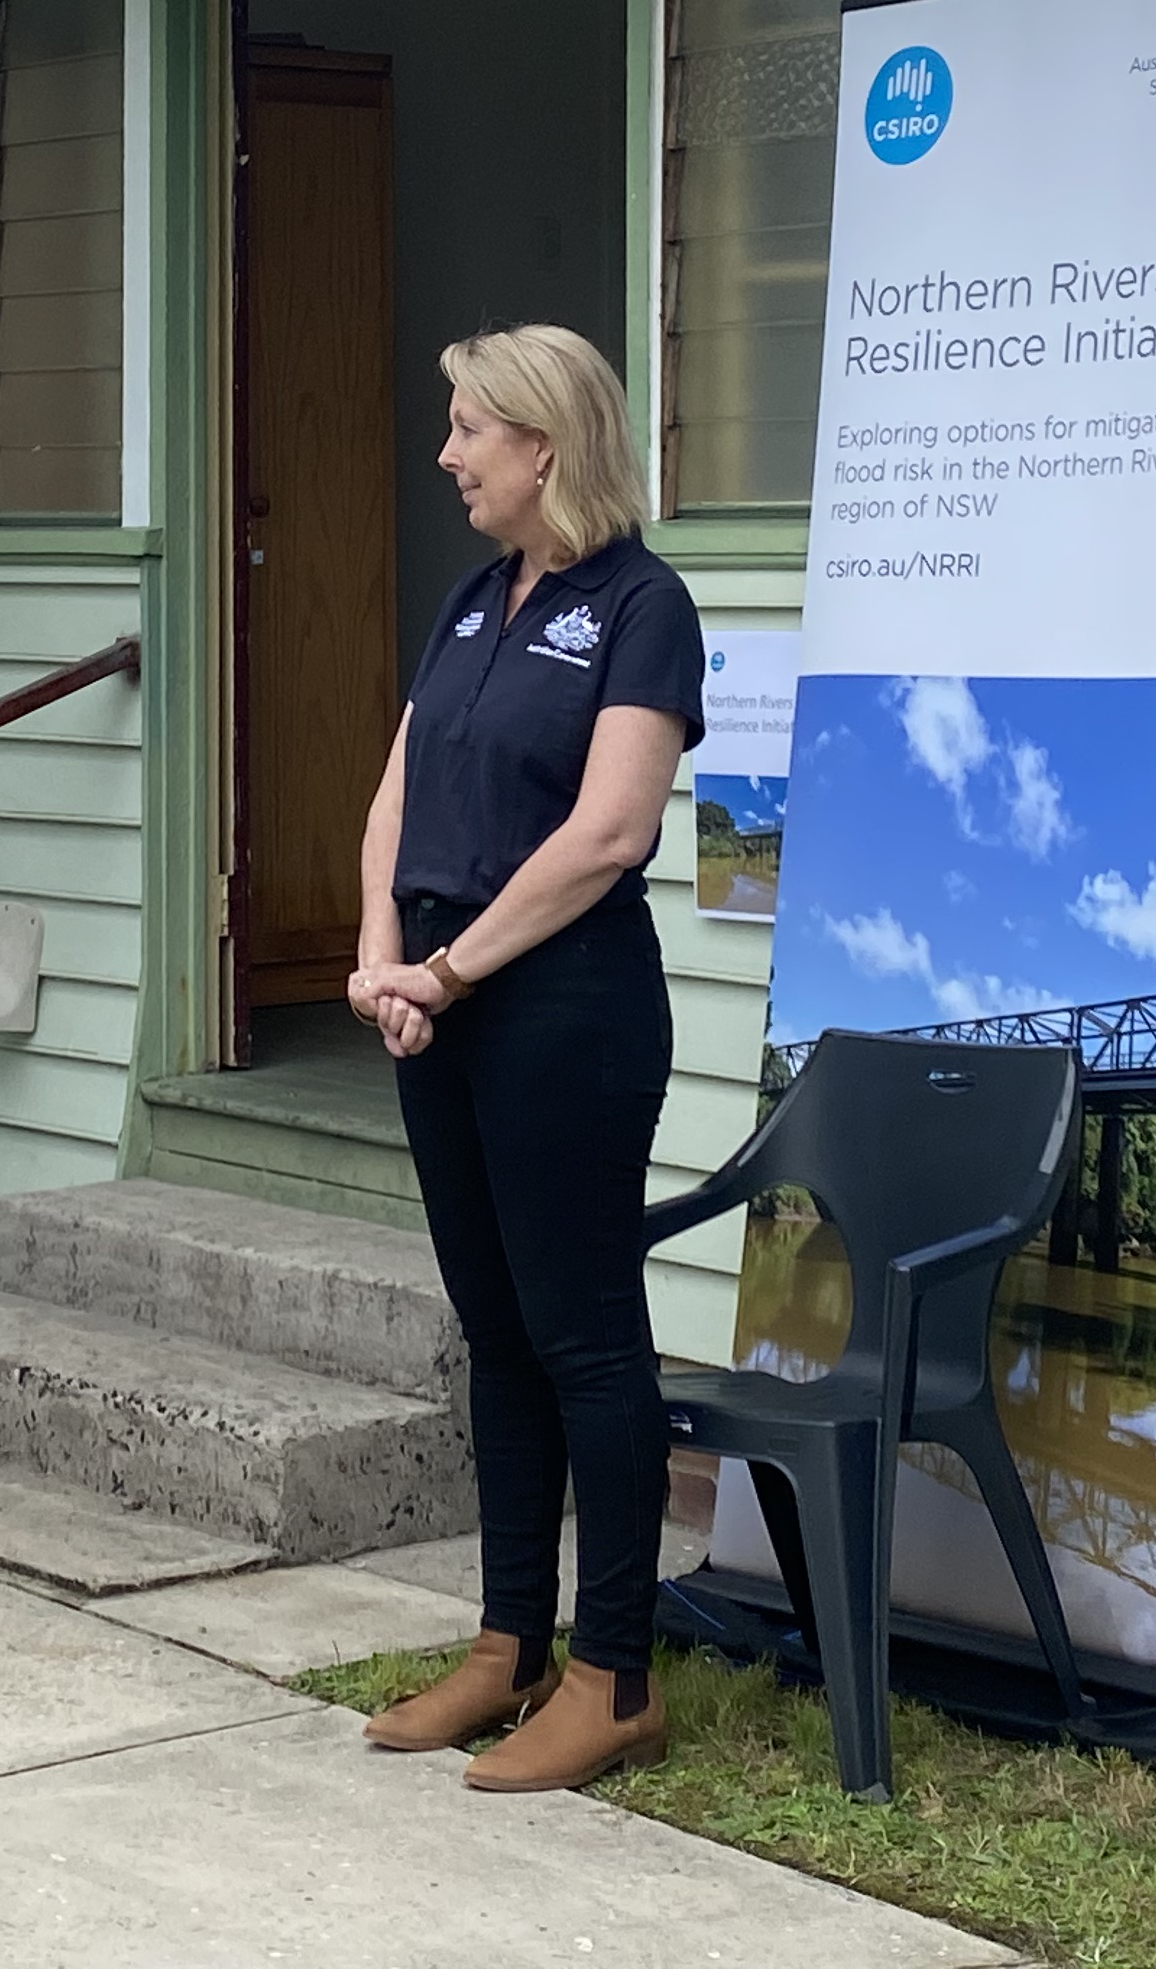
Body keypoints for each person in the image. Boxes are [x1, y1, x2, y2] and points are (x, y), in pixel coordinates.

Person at [346, 323, 702, 1792]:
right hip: (439, 997)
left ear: (543, 446)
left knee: (585, 1337)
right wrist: (381, 957)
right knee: (495, 1335)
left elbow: (609, 833)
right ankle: (508, 1647)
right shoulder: (476, 598)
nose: (447, 454)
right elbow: (398, 789)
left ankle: (613, 1675)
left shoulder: (641, 605)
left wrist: (449, 966)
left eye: (468, 429)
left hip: (566, 1012)